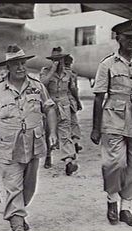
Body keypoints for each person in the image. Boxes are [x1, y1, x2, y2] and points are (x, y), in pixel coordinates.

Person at [0, 44, 57, 231]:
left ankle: (19, 213)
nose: (21, 68)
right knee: (13, 186)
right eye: (16, 64)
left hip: (33, 143)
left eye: (23, 63)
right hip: (7, 145)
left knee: (28, 187)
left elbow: (49, 109)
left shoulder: (37, 86)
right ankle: (18, 229)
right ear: (8, 67)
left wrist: (53, 133)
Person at [90, 19, 132, 227]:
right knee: (114, 163)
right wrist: (95, 128)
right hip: (113, 119)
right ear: (118, 38)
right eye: (127, 37)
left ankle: (125, 209)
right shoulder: (107, 64)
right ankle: (112, 200)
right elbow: (98, 97)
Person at [40, 47, 79, 175]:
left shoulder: (68, 73)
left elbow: (72, 89)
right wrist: (52, 70)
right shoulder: (45, 72)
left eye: (60, 59)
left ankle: (68, 161)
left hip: (64, 104)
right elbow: (42, 85)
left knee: (65, 132)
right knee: (48, 132)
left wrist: (77, 102)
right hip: (50, 104)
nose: (58, 62)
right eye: (55, 60)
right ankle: (48, 156)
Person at [64, 54, 83, 154]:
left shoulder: (58, 73)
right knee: (74, 122)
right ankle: (75, 142)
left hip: (59, 103)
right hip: (70, 101)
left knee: (63, 125)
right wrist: (78, 101)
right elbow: (74, 89)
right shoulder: (72, 74)